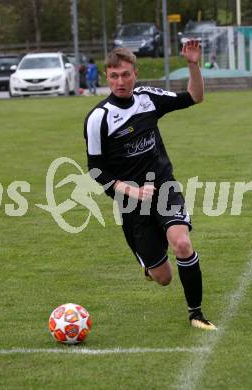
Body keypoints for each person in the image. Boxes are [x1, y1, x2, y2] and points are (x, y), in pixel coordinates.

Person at [84, 40, 217, 330]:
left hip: (164, 187)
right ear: (107, 77)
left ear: (135, 74)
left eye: (126, 75)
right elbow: (95, 170)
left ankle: (196, 314)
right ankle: (150, 263)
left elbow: (195, 96)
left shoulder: (147, 98)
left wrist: (193, 64)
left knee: (181, 242)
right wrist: (130, 189)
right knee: (164, 278)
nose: (120, 81)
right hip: (131, 203)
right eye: (114, 76)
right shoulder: (98, 119)